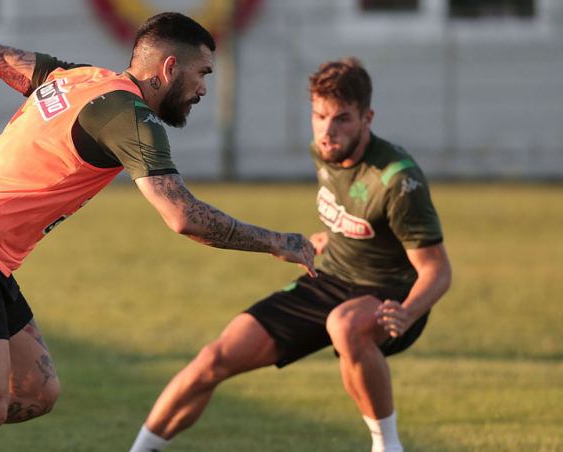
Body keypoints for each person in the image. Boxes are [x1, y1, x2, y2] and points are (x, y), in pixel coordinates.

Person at [0, 12, 317, 452]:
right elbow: (183, 215)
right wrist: (280, 242)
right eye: (202, 73)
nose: (204, 89)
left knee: (34, 391)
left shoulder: (81, 78)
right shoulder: (131, 117)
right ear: (170, 68)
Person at [127, 57, 452, 452]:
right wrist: (332, 236)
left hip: (391, 295)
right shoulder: (324, 150)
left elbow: (437, 270)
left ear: (367, 118)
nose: (327, 131)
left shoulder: (398, 179)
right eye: (319, 116)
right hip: (330, 280)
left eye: (342, 119)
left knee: (344, 325)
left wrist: (409, 311)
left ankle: (388, 447)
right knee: (214, 359)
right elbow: (357, 216)